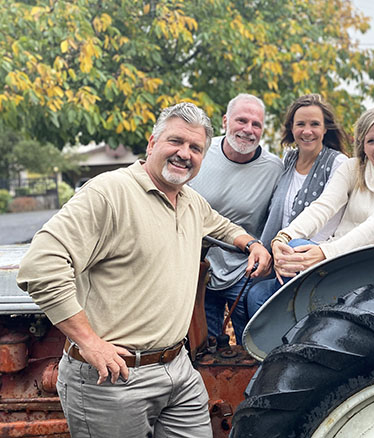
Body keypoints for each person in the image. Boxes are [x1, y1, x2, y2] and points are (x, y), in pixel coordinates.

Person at [16, 102, 271, 438]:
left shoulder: (190, 200)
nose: (185, 153)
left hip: (178, 369)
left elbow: (220, 224)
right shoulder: (108, 193)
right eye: (175, 141)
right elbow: (40, 265)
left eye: (195, 148)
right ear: (152, 144)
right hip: (114, 377)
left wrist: (251, 244)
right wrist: (88, 341)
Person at [270, 106, 374, 282]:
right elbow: (323, 206)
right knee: (257, 293)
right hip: (338, 260)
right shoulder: (353, 168)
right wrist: (284, 237)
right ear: (362, 145)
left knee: (297, 250)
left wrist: (326, 253)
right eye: (371, 141)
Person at [188, 94, 283, 343]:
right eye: (242, 120)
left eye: (256, 124)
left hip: (245, 271)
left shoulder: (274, 169)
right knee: (203, 347)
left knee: (250, 346)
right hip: (197, 268)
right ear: (225, 121)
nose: (248, 130)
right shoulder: (200, 154)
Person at [246, 94, 350, 316]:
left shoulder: (338, 163)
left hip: (315, 257)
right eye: (300, 124)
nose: (307, 131)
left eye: (315, 124)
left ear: (325, 129)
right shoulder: (287, 160)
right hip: (282, 254)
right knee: (254, 294)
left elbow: (324, 208)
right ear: (291, 129)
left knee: (295, 250)